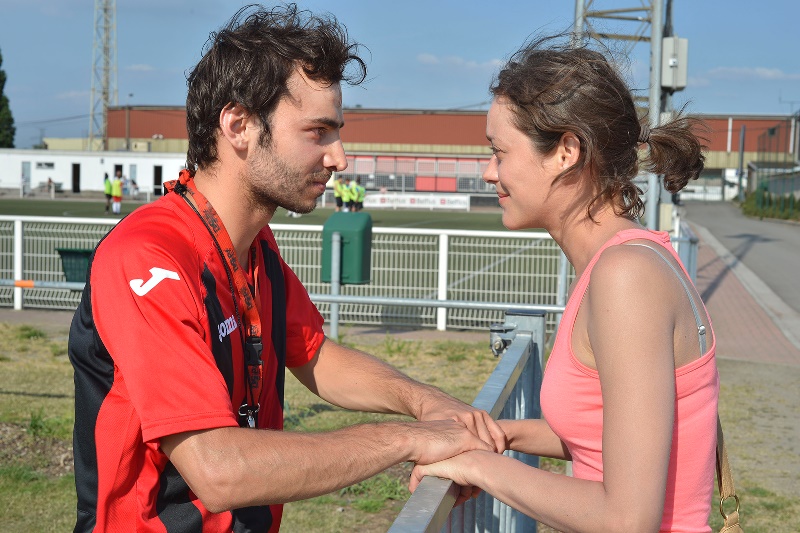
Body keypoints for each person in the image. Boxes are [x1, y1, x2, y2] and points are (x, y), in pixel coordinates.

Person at [68, 5, 503, 532]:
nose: (340, 157)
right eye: (318, 132)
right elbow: (220, 471)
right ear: (239, 126)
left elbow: (314, 353)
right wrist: (409, 439)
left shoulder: (253, 245)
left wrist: (425, 402)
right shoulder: (148, 257)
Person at [410, 35, 716, 532]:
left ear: (566, 151)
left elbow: (626, 519)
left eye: (499, 151)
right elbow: (605, 431)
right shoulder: (625, 261)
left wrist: (478, 467)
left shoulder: (626, 277)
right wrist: (499, 435)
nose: (489, 173)